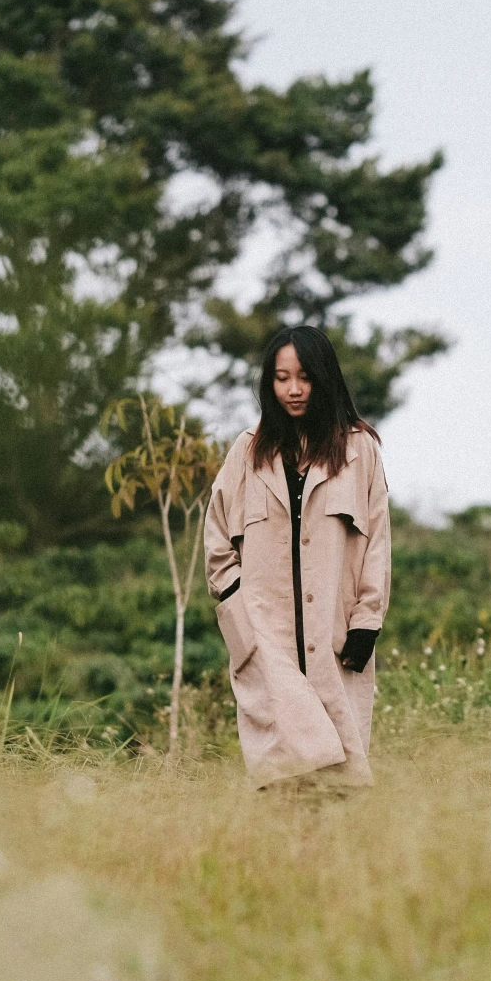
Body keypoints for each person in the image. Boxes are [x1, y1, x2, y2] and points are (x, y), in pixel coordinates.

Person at [204, 325, 391, 789]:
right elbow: (215, 538)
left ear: (323, 377)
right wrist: (238, 603)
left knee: (340, 774)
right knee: (286, 772)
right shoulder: (247, 451)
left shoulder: (359, 449)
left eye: (304, 376)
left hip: (335, 632)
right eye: (281, 378)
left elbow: (377, 542)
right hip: (267, 639)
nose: (293, 389)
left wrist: (368, 619)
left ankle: (326, 861)